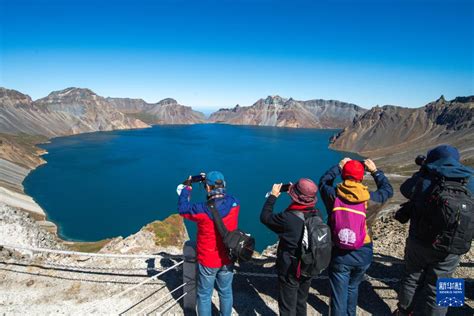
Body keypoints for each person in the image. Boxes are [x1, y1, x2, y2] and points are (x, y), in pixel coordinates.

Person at [394, 145, 473, 316]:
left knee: (412, 277)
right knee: (443, 283)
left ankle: (404, 311)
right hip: (454, 244)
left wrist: (422, 171)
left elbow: (405, 189)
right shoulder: (469, 179)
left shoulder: (425, 178)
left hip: (420, 239)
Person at [319, 158, 393, 316]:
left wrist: (338, 166)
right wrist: (375, 171)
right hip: (363, 251)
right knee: (353, 288)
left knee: (339, 294)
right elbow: (388, 190)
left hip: (339, 251)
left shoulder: (333, 195)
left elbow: (324, 182)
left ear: (343, 175)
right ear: (361, 177)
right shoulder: (372, 199)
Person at [178, 171, 239, 316]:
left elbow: (182, 209)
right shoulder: (235, 203)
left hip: (208, 259)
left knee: (205, 295)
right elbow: (225, 198)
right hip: (228, 256)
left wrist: (187, 186)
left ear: (207, 188)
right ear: (224, 185)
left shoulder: (201, 210)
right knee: (226, 292)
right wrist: (210, 182)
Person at [260, 178, 321, 316]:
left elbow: (265, 217)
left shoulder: (288, 218)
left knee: (287, 306)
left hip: (290, 268)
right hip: (308, 265)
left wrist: (273, 196)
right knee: (301, 301)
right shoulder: (317, 213)